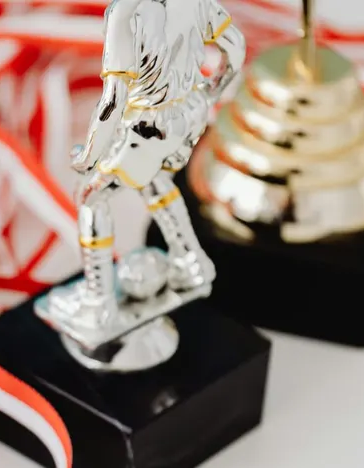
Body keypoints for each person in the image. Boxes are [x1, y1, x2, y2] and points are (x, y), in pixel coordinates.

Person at [68, 0, 247, 316]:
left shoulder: (123, 13)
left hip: (147, 126)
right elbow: (234, 48)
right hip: (190, 115)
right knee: (154, 181)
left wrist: (89, 157)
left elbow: (112, 101)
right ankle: (191, 261)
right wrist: (210, 93)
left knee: (91, 197)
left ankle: (98, 300)